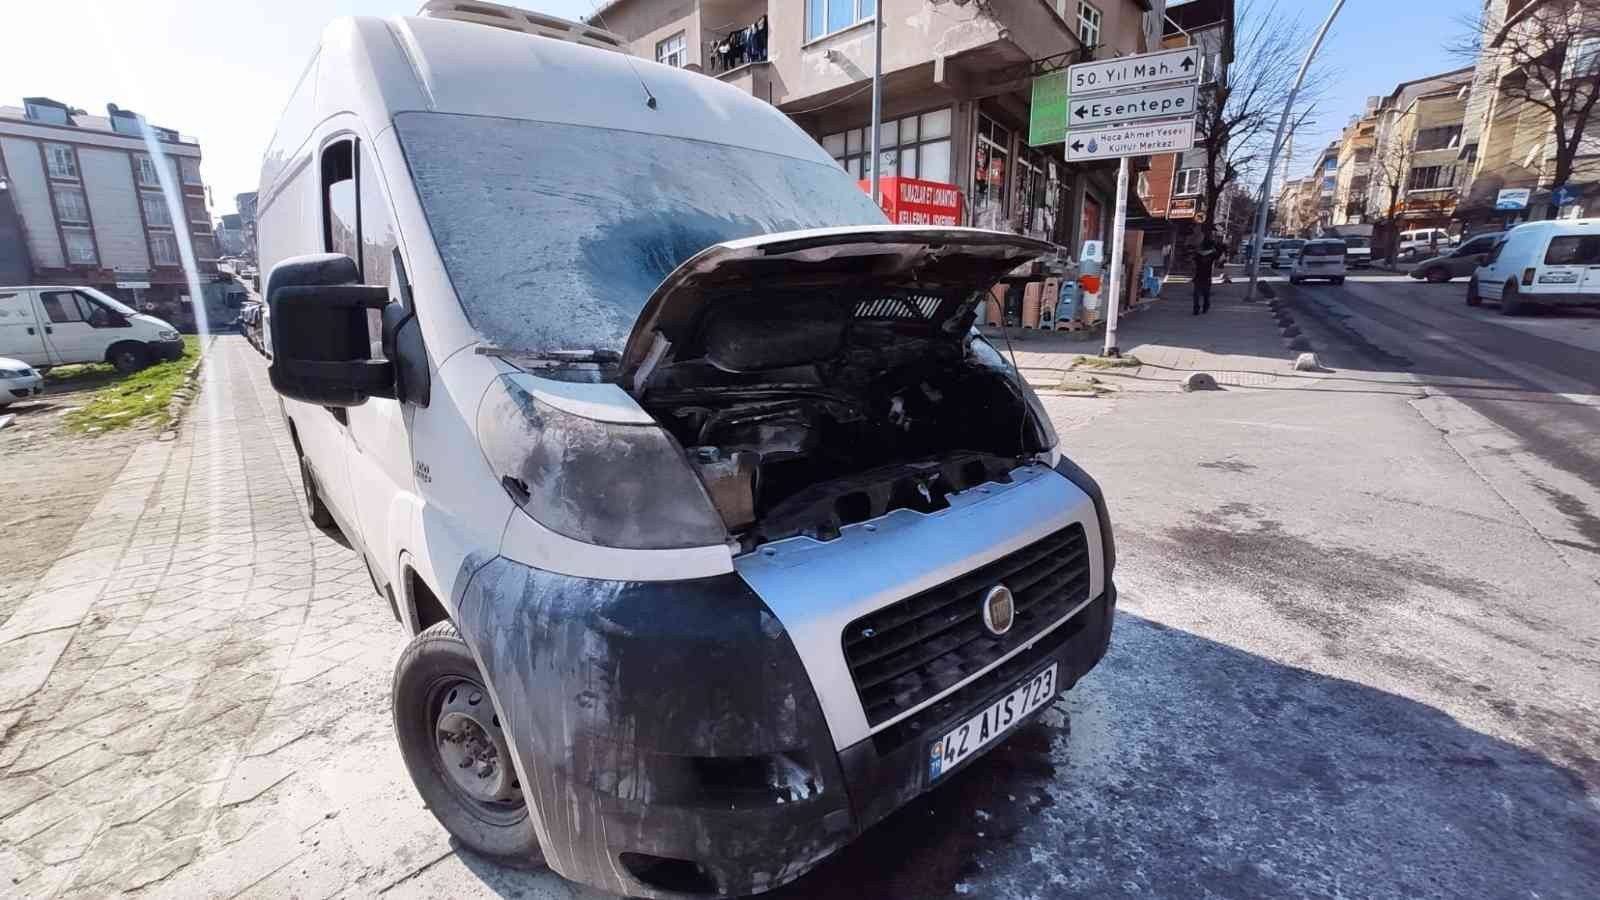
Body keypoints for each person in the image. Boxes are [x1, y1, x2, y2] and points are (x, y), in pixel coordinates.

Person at [1193, 227, 1221, 315]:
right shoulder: (1212, 254)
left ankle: (1196, 308)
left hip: (1198, 276)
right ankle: (1205, 307)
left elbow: (1193, 262)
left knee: (1196, 293)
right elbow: (1219, 260)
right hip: (1207, 276)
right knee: (1206, 293)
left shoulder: (1198, 254)